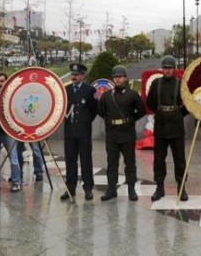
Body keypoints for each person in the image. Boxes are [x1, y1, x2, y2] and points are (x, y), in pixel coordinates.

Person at [98, 65, 145, 201]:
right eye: (115, 77)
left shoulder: (132, 94)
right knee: (112, 163)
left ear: (125, 78)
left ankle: (131, 190)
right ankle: (111, 190)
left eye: (120, 77)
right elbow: (101, 111)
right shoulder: (107, 96)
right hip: (112, 134)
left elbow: (141, 110)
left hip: (127, 134)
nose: (117, 79)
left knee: (130, 163)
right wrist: (110, 122)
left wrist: (130, 120)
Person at [146, 55, 188, 202]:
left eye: (170, 68)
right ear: (162, 69)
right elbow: (150, 101)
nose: (167, 70)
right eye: (165, 68)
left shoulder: (180, 84)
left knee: (180, 159)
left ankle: (181, 187)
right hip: (161, 126)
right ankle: (159, 187)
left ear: (174, 69)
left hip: (176, 126)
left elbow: (187, 104)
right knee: (158, 159)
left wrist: (177, 114)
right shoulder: (156, 83)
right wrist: (161, 112)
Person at [61, 63, 97, 201]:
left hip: (83, 131)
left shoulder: (90, 90)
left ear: (83, 75)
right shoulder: (66, 90)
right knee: (70, 160)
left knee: (86, 160)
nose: (74, 77)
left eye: (76, 75)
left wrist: (85, 121)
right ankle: (70, 188)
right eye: (72, 74)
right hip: (69, 131)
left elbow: (93, 110)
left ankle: (88, 188)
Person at [0, 73, 22, 193]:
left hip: (9, 131)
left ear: (6, 81)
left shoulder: (13, 94)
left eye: (2, 81)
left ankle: (16, 182)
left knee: (13, 158)